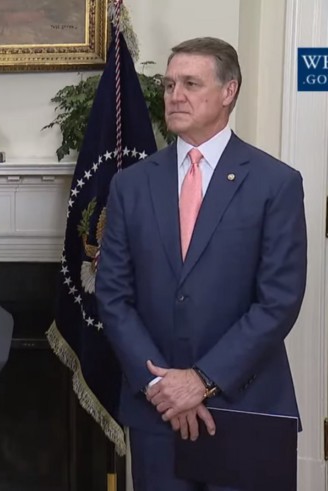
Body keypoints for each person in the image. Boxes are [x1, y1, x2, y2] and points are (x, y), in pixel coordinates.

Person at [95, 37, 307, 491]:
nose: (175, 95)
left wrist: (204, 379)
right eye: (170, 84)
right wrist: (161, 386)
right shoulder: (131, 185)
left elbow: (279, 301)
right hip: (158, 411)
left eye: (191, 83)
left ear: (228, 91)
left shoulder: (275, 183)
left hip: (245, 406)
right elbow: (113, 294)